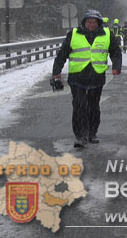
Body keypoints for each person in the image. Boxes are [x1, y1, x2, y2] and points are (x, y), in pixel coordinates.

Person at [51, 9, 122, 148]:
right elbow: (62, 54)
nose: (91, 24)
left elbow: (116, 51)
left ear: (99, 23)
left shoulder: (107, 34)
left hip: (96, 76)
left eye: (94, 22)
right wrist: (56, 72)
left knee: (93, 106)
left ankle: (92, 133)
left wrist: (116, 66)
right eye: (89, 22)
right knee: (79, 106)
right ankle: (80, 135)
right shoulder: (74, 34)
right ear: (84, 22)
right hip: (77, 77)